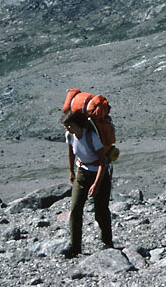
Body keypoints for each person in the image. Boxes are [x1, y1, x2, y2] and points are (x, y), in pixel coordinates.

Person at [61, 109, 113, 258]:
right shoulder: (70, 135)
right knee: (76, 209)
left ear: (78, 125)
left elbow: (103, 162)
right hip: (82, 172)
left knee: (101, 210)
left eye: (69, 126)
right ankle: (75, 247)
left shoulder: (92, 137)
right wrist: (71, 170)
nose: (67, 129)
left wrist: (96, 184)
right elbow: (71, 151)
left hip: (99, 174)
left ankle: (107, 243)